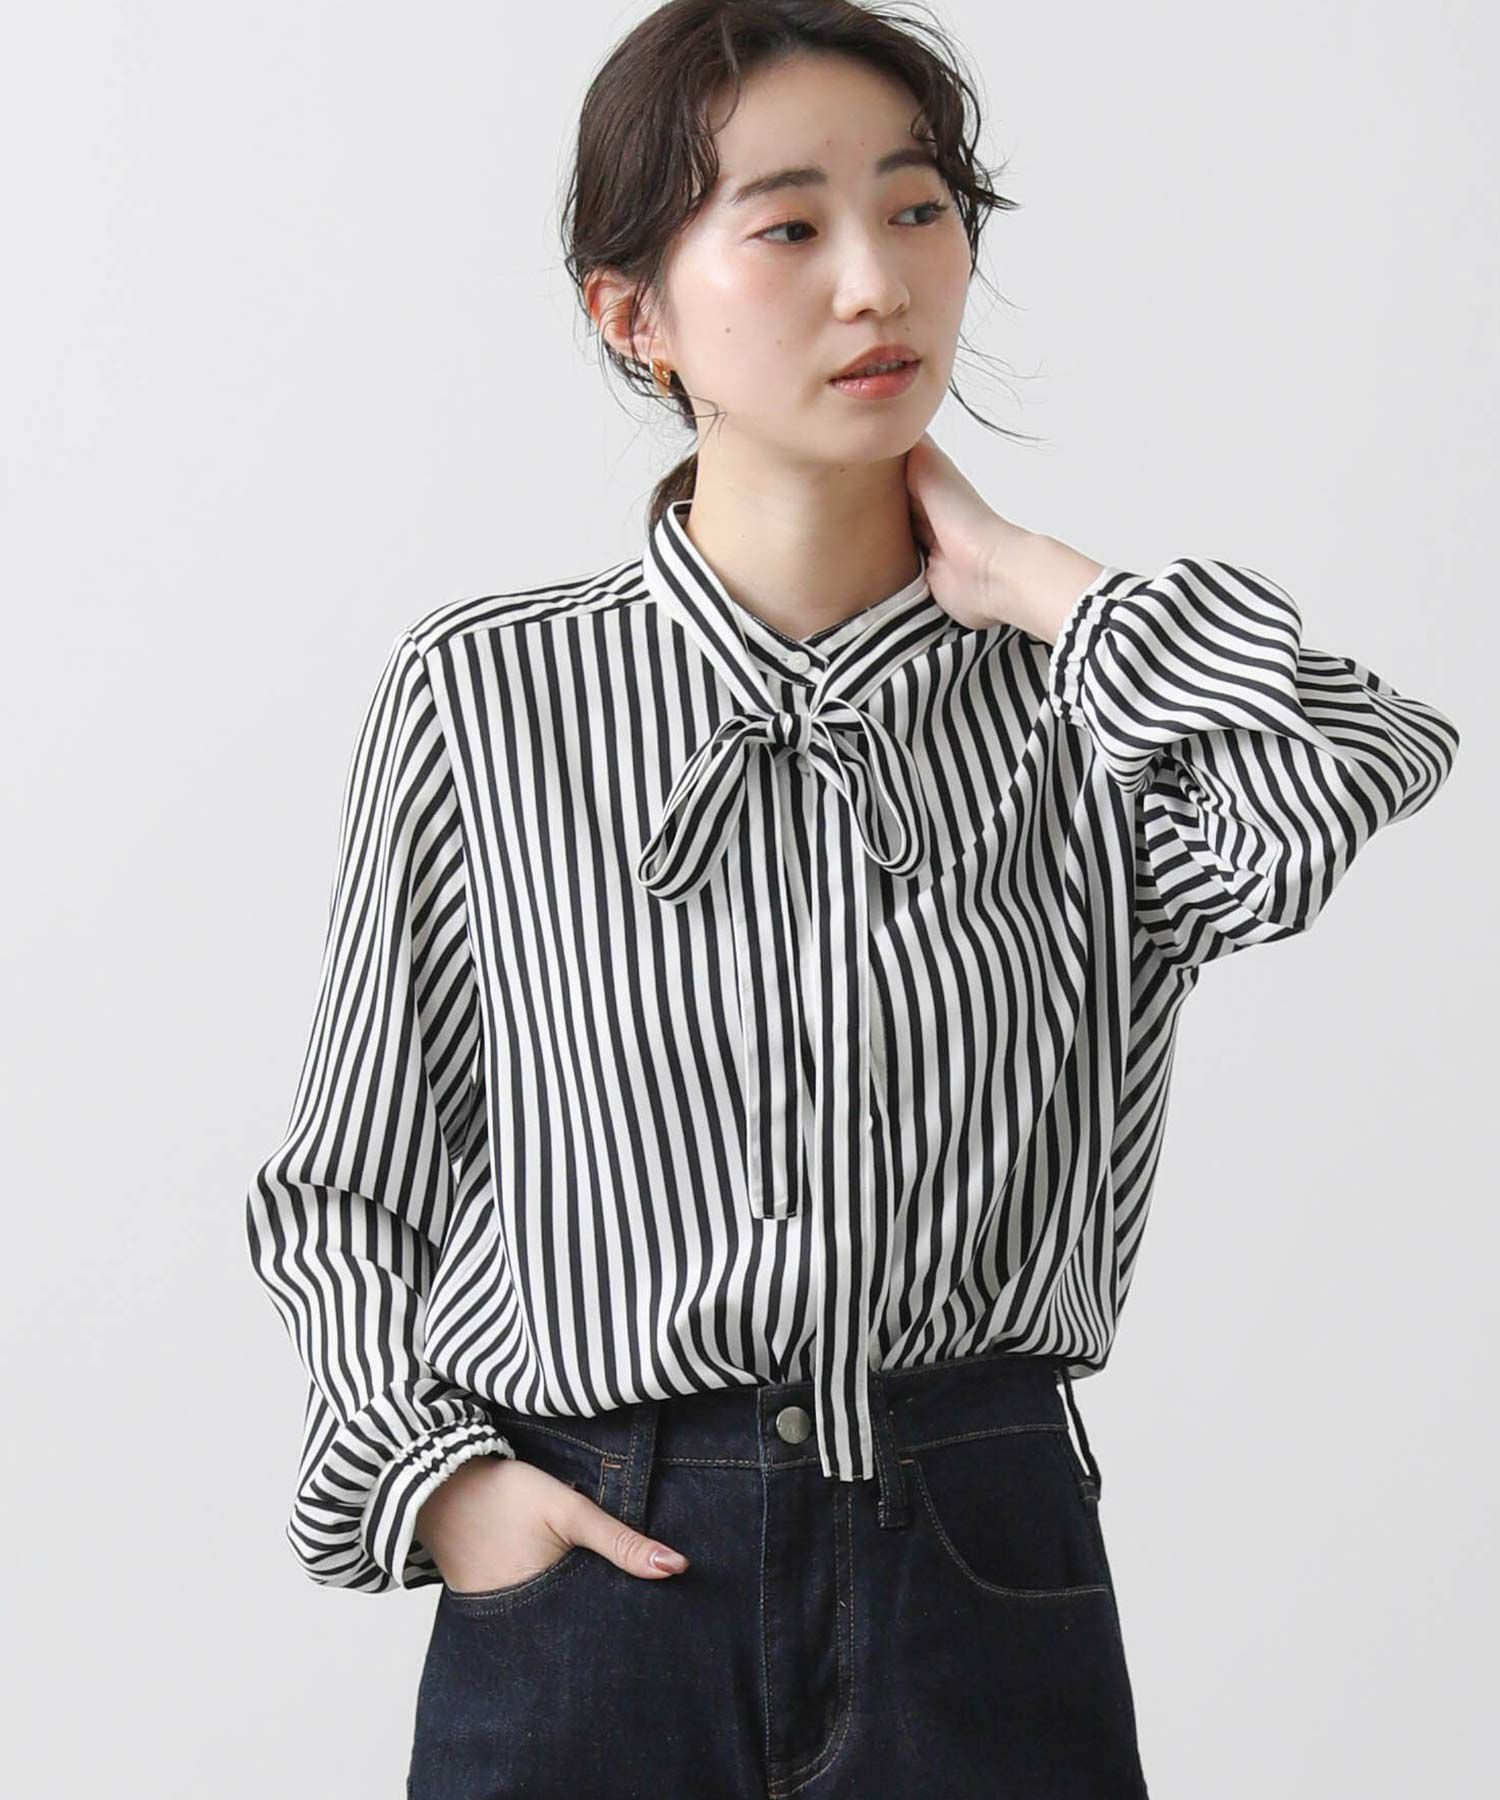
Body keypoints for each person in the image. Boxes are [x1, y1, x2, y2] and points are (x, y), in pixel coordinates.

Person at [243, 4, 1461, 1795]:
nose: (877, 282)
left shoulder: (1079, 709)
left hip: (977, 1557)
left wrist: (1046, 584)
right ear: (633, 315)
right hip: (599, 1565)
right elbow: (351, 1183)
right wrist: (440, 1487)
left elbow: (1345, 763)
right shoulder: (488, 697)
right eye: (791, 224)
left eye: (916, 208)